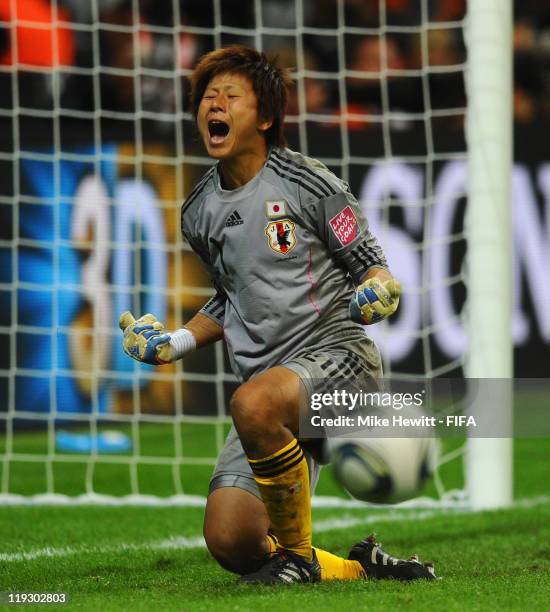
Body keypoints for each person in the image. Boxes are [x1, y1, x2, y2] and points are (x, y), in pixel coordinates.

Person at [119, 45, 436, 584]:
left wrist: (379, 293)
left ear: (264, 117)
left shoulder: (310, 184)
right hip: (268, 394)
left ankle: (296, 558)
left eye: (229, 95)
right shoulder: (198, 213)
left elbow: (372, 268)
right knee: (233, 540)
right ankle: (360, 571)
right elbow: (230, 298)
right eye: (207, 97)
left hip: (341, 361)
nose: (213, 104)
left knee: (254, 400)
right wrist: (175, 342)